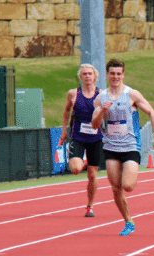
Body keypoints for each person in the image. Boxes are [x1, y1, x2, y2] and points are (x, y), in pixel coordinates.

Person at [91, 59, 154, 236]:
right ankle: (128, 221)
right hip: (111, 147)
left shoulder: (132, 94)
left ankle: (129, 175)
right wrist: (102, 111)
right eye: (112, 74)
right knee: (115, 188)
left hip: (130, 145)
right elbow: (94, 125)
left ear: (123, 75)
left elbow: (152, 112)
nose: (115, 77)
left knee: (128, 186)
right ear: (107, 75)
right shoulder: (101, 98)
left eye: (118, 74)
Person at [60, 64, 104, 217]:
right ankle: (83, 161)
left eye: (90, 74)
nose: (87, 76)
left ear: (95, 76)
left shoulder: (101, 95)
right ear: (80, 77)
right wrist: (64, 130)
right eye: (84, 74)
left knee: (92, 175)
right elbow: (66, 111)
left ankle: (90, 206)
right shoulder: (73, 94)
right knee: (76, 169)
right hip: (77, 136)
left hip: (95, 138)